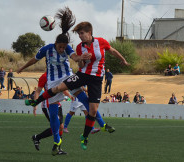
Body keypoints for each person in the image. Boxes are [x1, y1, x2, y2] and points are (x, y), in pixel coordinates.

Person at [23, 20, 129, 150]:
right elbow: (79, 63)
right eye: (79, 34)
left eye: (82, 33)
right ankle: (37, 104)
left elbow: (112, 50)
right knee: (58, 90)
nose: (80, 36)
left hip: (96, 79)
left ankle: (85, 136)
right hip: (82, 75)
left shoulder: (101, 42)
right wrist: (82, 59)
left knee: (92, 109)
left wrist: (123, 59)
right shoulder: (79, 47)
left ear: (89, 32)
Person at [17, 7, 81, 155]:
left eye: (63, 48)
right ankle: (51, 143)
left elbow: (73, 57)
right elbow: (35, 62)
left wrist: (80, 59)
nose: (61, 50)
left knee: (61, 123)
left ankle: (50, 142)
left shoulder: (66, 51)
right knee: (57, 123)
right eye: (60, 47)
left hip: (61, 88)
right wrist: (22, 67)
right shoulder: (46, 57)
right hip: (50, 92)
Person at [31, 72, 67, 154]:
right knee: (57, 127)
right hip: (48, 104)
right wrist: (35, 105)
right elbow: (38, 91)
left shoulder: (59, 73)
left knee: (60, 127)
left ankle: (57, 148)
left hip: (57, 103)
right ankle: (38, 138)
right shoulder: (44, 76)